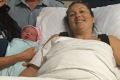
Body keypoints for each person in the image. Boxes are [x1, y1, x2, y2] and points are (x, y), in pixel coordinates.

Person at [20, 0, 120, 80]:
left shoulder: (109, 40)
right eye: (72, 14)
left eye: (82, 11)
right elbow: (33, 68)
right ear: (68, 22)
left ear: (93, 19)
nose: (77, 15)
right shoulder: (56, 38)